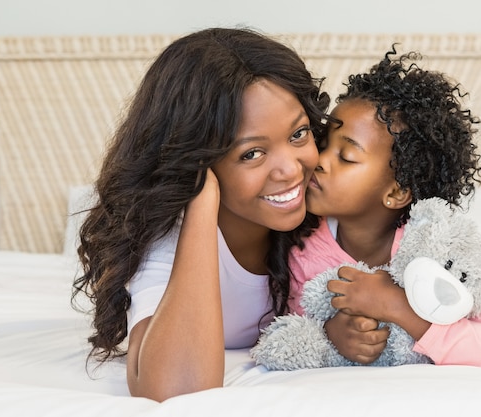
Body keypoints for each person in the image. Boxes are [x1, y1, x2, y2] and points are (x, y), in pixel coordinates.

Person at [72, 27, 332, 401]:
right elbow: (177, 391)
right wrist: (200, 201)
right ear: (198, 160)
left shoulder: (330, 204)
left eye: (298, 135)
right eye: (251, 154)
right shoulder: (167, 238)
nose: (291, 170)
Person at [287, 49, 481, 368]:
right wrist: (332, 334)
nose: (319, 161)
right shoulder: (302, 248)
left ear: (396, 191)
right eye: (324, 144)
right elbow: (290, 325)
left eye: (345, 157)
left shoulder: (436, 251)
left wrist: (398, 307)